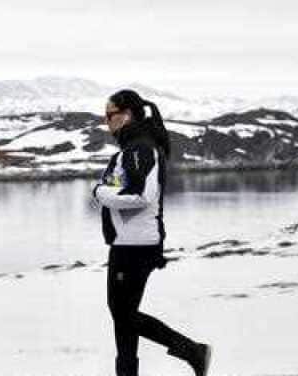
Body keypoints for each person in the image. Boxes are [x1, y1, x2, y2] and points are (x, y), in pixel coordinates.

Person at [91, 89, 212, 376]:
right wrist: (107, 191)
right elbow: (124, 188)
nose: (106, 121)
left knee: (123, 315)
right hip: (129, 243)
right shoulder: (132, 149)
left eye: (110, 115)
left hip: (136, 246)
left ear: (127, 114)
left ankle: (193, 351)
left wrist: (99, 192)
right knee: (123, 316)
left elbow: (141, 196)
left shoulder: (140, 149)